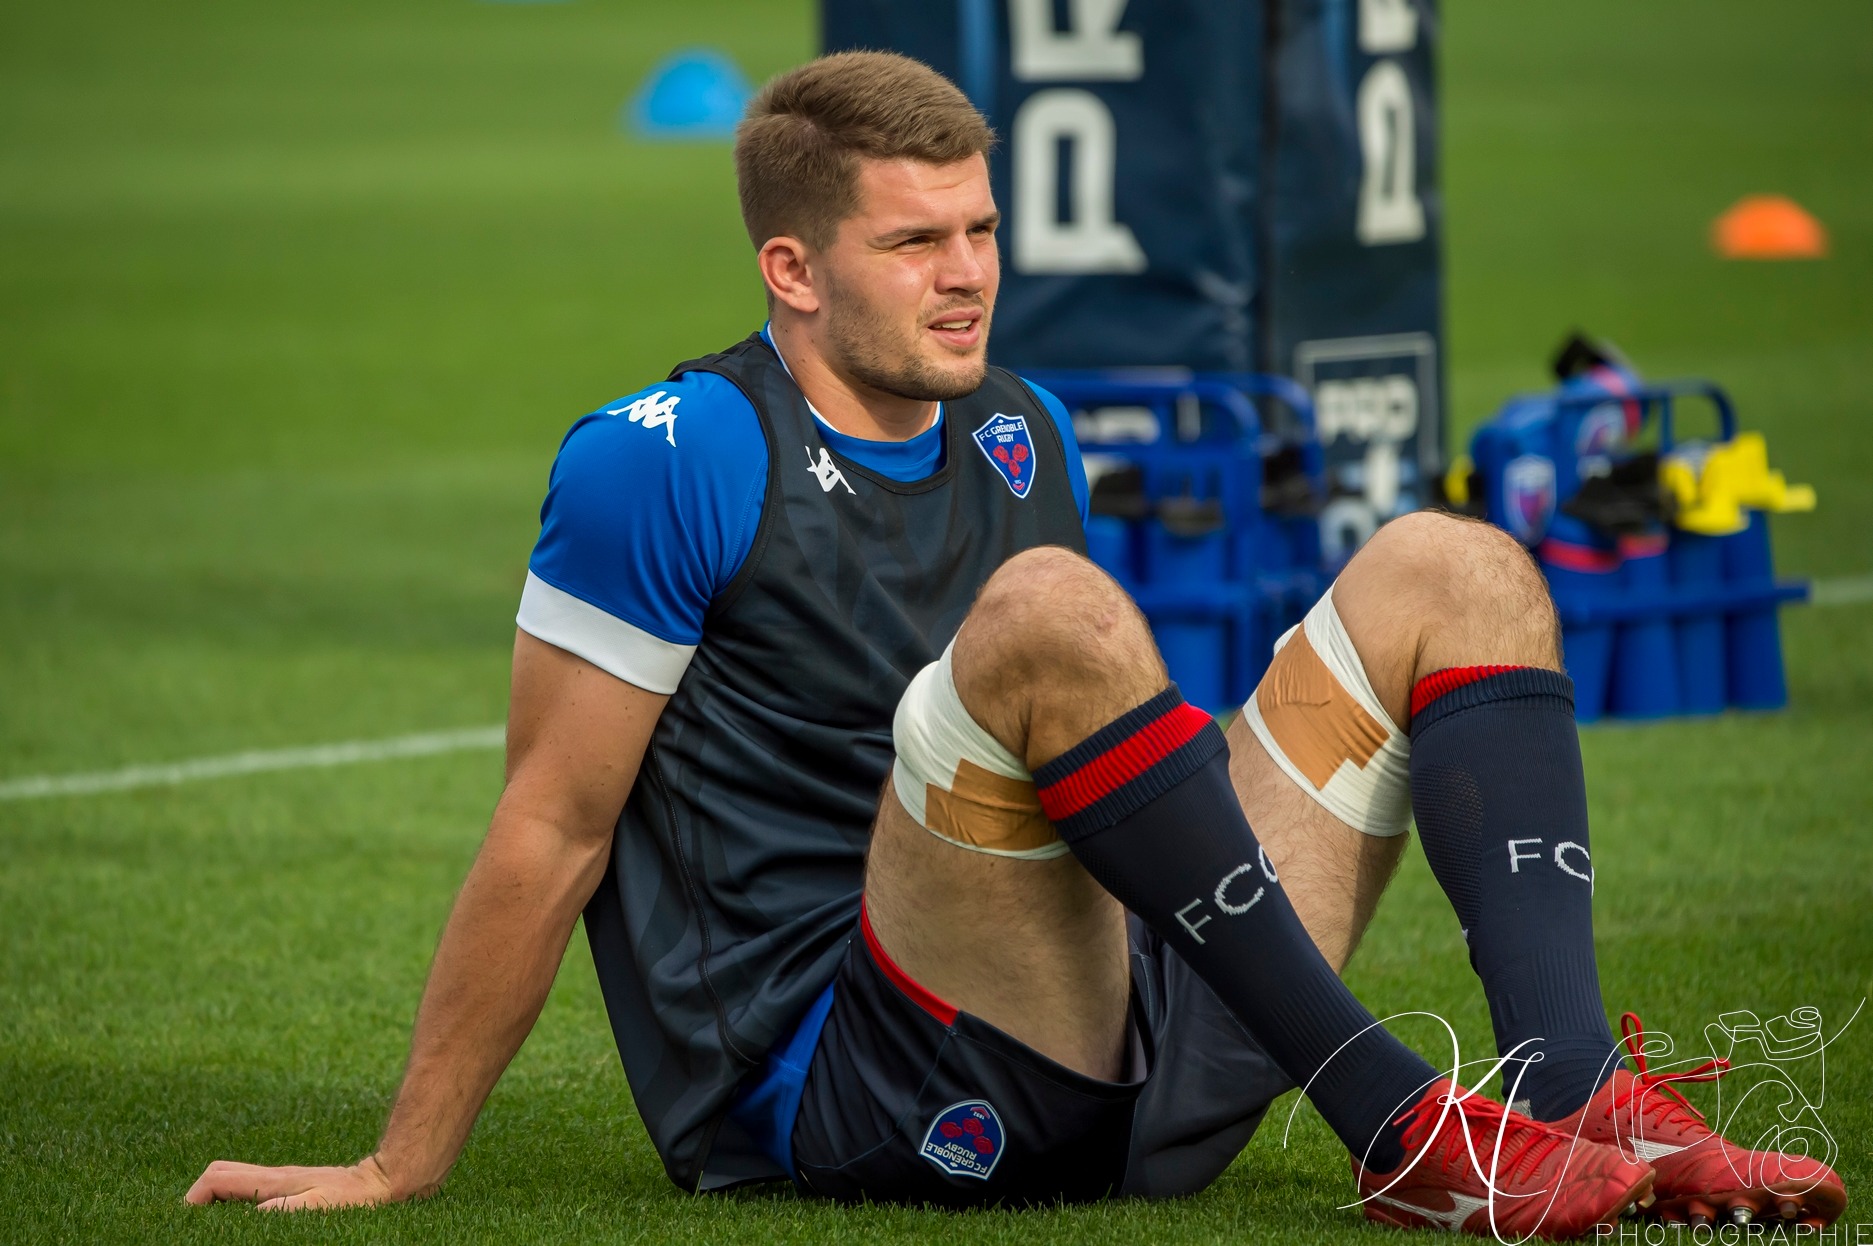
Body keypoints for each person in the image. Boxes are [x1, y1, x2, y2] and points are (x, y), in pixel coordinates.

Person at [186, 52, 1845, 1236]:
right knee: (1051, 617)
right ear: (792, 268)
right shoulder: (667, 451)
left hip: (1099, 1026)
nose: (967, 276)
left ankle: (1569, 1092)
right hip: (853, 1085)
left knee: (1457, 562)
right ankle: (1397, 1119)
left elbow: (1105, 764)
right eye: (914, 243)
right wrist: (404, 1161)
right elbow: (551, 823)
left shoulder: (1020, 426)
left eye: (978, 231)